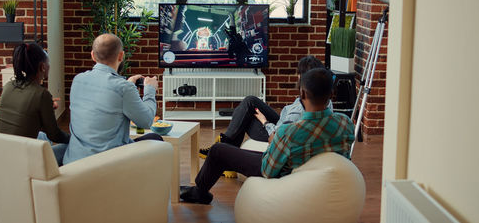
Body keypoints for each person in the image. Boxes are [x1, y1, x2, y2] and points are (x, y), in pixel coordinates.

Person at [180, 68, 355, 204]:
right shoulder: (345, 123)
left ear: (302, 94)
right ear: (331, 95)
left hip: (284, 173)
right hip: (316, 174)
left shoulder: (290, 132)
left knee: (218, 151)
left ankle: (200, 192)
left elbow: (269, 170)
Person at [199, 55, 330, 158]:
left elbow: (278, 135)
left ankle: (223, 149)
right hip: (283, 123)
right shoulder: (324, 100)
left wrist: (264, 121)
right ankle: (225, 145)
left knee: (245, 118)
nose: (297, 76)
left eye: (299, 73)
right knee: (250, 101)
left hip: (274, 131)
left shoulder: (297, 111)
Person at [63, 33, 162, 164]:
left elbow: (104, 98)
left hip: (74, 162)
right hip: (107, 165)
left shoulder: (78, 80)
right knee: (156, 139)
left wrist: (129, 85)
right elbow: (146, 121)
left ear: (92, 55)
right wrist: (150, 90)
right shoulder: (123, 88)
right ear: (121, 56)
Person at [0, 43, 69, 166]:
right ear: (42, 67)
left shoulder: (8, 86)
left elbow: (26, 117)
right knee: (68, 148)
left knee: (42, 136)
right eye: (48, 63)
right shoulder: (41, 94)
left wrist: (44, 110)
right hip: (25, 161)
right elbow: (55, 135)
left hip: (4, 154)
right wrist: (73, 139)